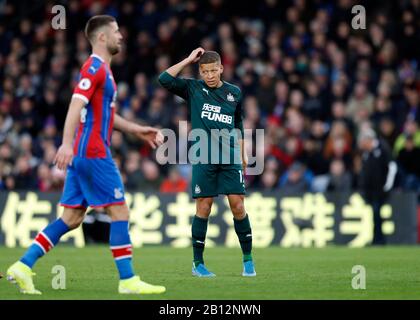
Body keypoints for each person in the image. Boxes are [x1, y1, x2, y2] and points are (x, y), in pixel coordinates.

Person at [6, 15, 166, 295]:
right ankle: (127, 279)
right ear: (102, 37)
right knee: (119, 210)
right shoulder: (94, 68)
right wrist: (65, 144)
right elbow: (75, 105)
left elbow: (107, 115)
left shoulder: (104, 70)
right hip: (92, 151)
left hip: (84, 153)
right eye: (116, 32)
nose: (121, 36)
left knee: (71, 218)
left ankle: (22, 265)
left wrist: (138, 130)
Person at [158, 48, 256, 277]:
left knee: (238, 206)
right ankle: (198, 264)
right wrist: (188, 59)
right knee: (204, 207)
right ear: (200, 72)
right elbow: (164, 79)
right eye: (205, 71)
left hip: (230, 157)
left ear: (221, 68)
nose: (210, 75)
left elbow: (238, 125)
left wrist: (242, 155)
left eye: (213, 70)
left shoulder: (234, 93)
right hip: (204, 157)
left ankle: (248, 260)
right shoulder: (193, 88)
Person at [358, 128, 397, 245]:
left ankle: (380, 239)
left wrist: (387, 186)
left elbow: (392, 167)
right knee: (374, 215)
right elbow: (364, 173)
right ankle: (376, 239)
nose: (361, 144)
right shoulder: (366, 153)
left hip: (380, 190)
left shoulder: (383, 149)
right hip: (370, 191)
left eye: (363, 141)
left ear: (369, 139)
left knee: (377, 213)